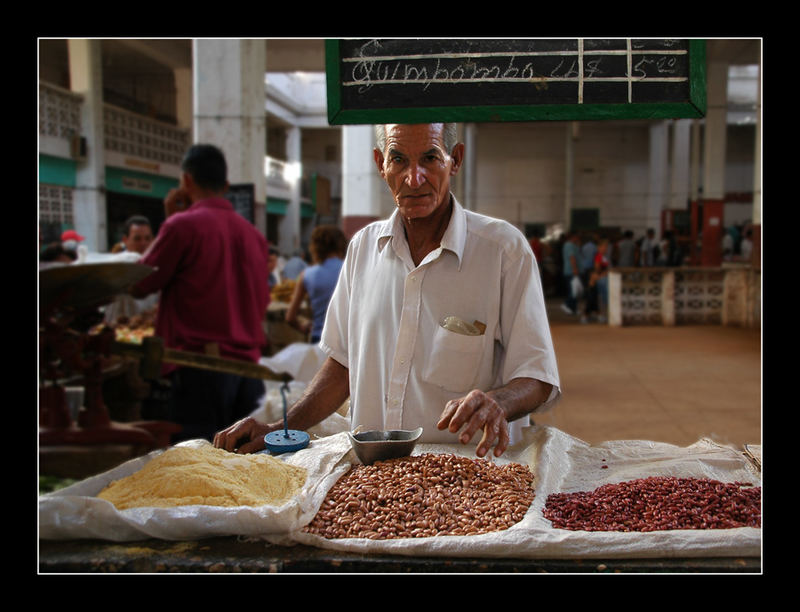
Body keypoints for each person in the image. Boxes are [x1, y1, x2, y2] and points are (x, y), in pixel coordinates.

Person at [215, 123, 560, 459]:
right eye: (398, 160)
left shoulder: (503, 252)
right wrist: (279, 428)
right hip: (373, 478)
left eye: (429, 158)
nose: (414, 178)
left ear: (455, 159)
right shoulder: (363, 248)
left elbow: (537, 376)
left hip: (468, 478)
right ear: (380, 164)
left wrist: (499, 401)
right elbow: (343, 366)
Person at [130, 144, 271, 443]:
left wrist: (169, 219)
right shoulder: (253, 236)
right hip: (247, 368)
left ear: (186, 181)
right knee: (245, 464)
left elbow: (141, 283)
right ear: (226, 186)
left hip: (200, 368)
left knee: (199, 464)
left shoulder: (182, 226)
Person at [285, 225, 347, 344]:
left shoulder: (306, 275)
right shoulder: (351, 270)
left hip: (319, 339)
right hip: (346, 341)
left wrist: (304, 328)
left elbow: (290, 317)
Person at [581, 239, 610, 324]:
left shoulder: (603, 256)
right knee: (591, 297)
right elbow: (597, 268)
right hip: (596, 278)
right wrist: (598, 276)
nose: (605, 248)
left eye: (606, 247)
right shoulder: (599, 256)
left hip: (598, 278)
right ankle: (587, 314)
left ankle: (595, 314)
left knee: (594, 297)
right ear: (599, 247)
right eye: (603, 247)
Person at [561, 232, 583, 316]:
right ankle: (567, 304)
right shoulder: (569, 245)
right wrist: (575, 269)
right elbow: (572, 257)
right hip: (571, 271)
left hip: (573, 271)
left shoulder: (573, 245)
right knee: (573, 290)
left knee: (575, 290)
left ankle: (573, 308)